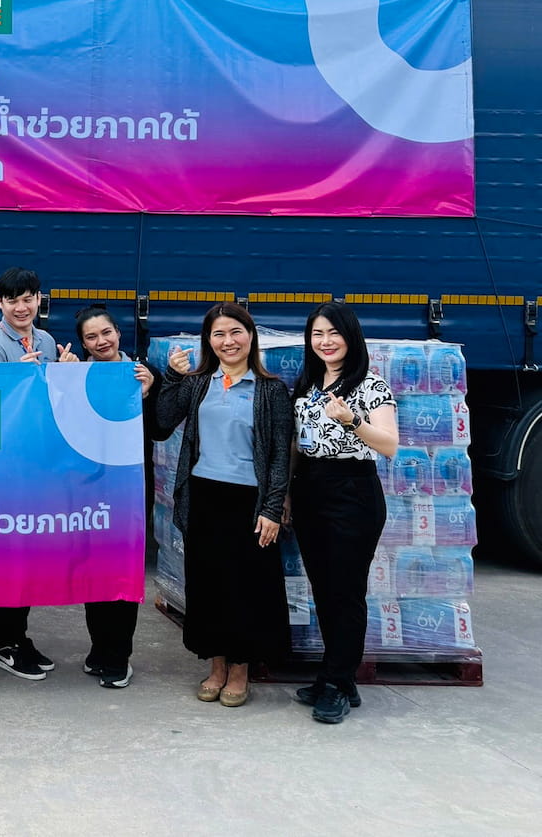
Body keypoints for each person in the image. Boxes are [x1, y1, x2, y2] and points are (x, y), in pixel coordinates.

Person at [156, 302, 292, 708]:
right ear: (208, 341)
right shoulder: (200, 383)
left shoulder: (271, 390)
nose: (228, 341)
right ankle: (215, 667)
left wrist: (271, 509)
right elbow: (162, 422)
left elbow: (280, 456)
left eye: (236, 332)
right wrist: (172, 376)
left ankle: (239, 671)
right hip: (203, 496)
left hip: (249, 502)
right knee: (208, 586)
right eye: (219, 334)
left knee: (245, 590)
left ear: (250, 336)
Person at [289, 302, 397, 724]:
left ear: (351, 336)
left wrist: (353, 421)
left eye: (333, 333)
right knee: (323, 588)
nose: (325, 341)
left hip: (353, 492)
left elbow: (389, 445)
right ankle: (338, 677)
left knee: (346, 591)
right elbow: (298, 443)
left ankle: (336, 683)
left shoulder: (371, 385)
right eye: (317, 334)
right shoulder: (308, 384)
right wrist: (287, 494)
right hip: (310, 488)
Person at [0, 267, 75, 681]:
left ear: (38, 300)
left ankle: (19, 635)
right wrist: (19, 383)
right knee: (7, 558)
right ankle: (6, 642)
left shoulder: (46, 341)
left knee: (28, 560)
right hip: (4, 473)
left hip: (38, 468)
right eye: (12, 300)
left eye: (28, 298)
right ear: (0, 303)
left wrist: (66, 374)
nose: (21, 307)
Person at [75, 304, 171, 689]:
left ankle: (119, 656)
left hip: (129, 490)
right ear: (84, 344)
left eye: (106, 332)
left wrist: (149, 393)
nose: (101, 341)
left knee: (122, 568)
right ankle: (99, 648)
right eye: (91, 337)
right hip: (86, 490)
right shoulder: (76, 378)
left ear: (118, 332)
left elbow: (161, 430)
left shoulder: (143, 373)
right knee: (92, 568)